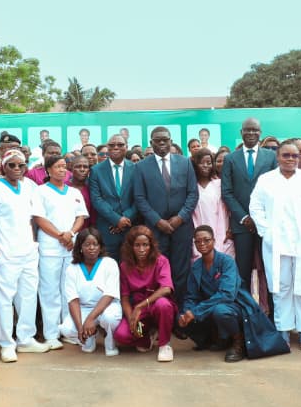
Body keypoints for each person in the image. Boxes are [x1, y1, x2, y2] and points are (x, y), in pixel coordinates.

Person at [249, 140, 301, 351]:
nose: (291, 159)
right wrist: (266, 232)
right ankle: (283, 329)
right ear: (278, 157)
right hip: (276, 244)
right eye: (286, 155)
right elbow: (255, 207)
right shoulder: (266, 180)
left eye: (295, 156)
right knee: (281, 287)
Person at [0, 149, 49, 362]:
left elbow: (36, 217)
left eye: (21, 165)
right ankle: (6, 344)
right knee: (4, 300)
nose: (17, 169)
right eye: (12, 165)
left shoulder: (30, 186)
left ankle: (26, 339)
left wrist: (33, 244)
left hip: (28, 252)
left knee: (29, 296)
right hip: (6, 253)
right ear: (3, 166)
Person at [133, 127, 199, 309]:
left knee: (181, 272)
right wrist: (158, 221)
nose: (162, 143)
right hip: (155, 229)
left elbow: (192, 194)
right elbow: (140, 198)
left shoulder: (185, 163)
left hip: (181, 228)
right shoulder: (141, 167)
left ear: (171, 141)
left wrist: (180, 217)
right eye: (157, 140)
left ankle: (179, 314)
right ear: (151, 143)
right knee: (157, 273)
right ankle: (161, 312)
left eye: (165, 140)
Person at [33, 154, 89, 349]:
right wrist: (60, 235)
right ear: (48, 170)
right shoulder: (40, 191)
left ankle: (68, 330)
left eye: (64, 167)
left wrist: (71, 234)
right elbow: (39, 219)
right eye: (57, 167)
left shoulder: (74, 192)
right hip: (50, 247)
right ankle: (51, 334)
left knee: (68, 291)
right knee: (49, 291)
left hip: (70, 247)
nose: (62, 170)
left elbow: (81, 217)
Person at [220, 118, 277, 295]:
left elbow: (276, 189)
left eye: (255, 130)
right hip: (241, 224)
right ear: (241, 133)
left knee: (270, 271)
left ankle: (271, 317)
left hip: (266, 224)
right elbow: (227, 192)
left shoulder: (271, 156)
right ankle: (245, 315)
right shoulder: (230, 159)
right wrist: (244, 218)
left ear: (260, 133)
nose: (251, 133)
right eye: (247, 130)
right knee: (242, 273)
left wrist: (259, 218)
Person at [178, 225, 247, 362]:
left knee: (220, 311)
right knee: (179, 318)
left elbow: (227, 295)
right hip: (209, 307)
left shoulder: (227, 262)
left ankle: (239, 342)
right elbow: (191, 296)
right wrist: (186, 313)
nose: (202, 244)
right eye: (198, 241)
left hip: (232, 306)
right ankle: (217, 339)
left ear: (214, 241)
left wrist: (197, 311)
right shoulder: (196, 266)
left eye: (206, 240)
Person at [112, 225, 178, 361]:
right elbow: (124, 297)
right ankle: (146, 337)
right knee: (122, 335)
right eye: (137, 245)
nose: (141, 249)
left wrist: (140, 306)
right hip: (140, 314)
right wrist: (132, 318)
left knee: (163, 305)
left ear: (151, 246)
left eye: (145, 245)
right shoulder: (125, 266)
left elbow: (166, 288)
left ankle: (164, 345)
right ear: (131, 246)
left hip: (155, 306)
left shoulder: (161, 261)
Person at [58, 228, 122, 356]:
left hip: (107, 307)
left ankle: (110, 342)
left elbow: (109, 295)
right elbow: (73, 300)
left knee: (109, 318)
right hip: (84, 308)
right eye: (87, 244)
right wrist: (80, 327)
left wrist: (90, 319)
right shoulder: (72, 268)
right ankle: (89, 335)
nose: (91, 248)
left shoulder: (109, 263)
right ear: (80, 247)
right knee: (67, 328)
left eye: (95, 244)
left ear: (100, 247)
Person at [88, 134, 138, 262]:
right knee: (108, 267)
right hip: (107, 229)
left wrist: (124, 219)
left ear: (126, 147)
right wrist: (116, 219)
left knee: (130, 268)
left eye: (120, 145)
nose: (116, 147)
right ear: (107, 148)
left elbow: (139, 197)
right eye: (112, 145)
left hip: (130, 227)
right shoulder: (96, 170)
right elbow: (96, 199)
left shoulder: (136, 169)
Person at [190, 148, 232, 259]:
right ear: (195, 164)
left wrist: (223, 234)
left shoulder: (219, 184)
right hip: (198, 233)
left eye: (209, 163)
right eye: (201, 163)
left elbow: (224, 213)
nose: (205, 166)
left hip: (220, 233)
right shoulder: (191, 186)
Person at [66, 155, 94, 226]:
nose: (82, 169)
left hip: (86, 233)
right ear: (71, 168)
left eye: (85, 167)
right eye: (78, 166)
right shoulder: (63, 186)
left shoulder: (93, 188)